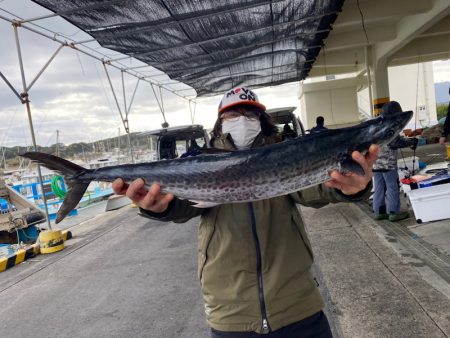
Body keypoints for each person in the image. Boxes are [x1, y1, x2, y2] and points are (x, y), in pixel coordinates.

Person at [112, 86, 378, 338]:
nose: (242, 119)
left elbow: (315, 189)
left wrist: (348, 189)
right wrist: (160, 208)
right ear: (220, 122)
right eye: (233, 113)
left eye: (250, 113)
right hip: (230, 313)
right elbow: (179, 206)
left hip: (298, 306)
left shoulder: (284, 155)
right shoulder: (199, 161)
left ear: (262, 120)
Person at [372, 101, 418, 222]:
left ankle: (379, 212)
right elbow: (394, 143)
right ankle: (393, 212)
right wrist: (411, 142)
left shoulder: (377, 124)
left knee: (379, 187)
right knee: (392, 187)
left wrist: (406, 140)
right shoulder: (390, 125)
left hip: (375, 164)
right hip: (388, 164)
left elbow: (394, 139)